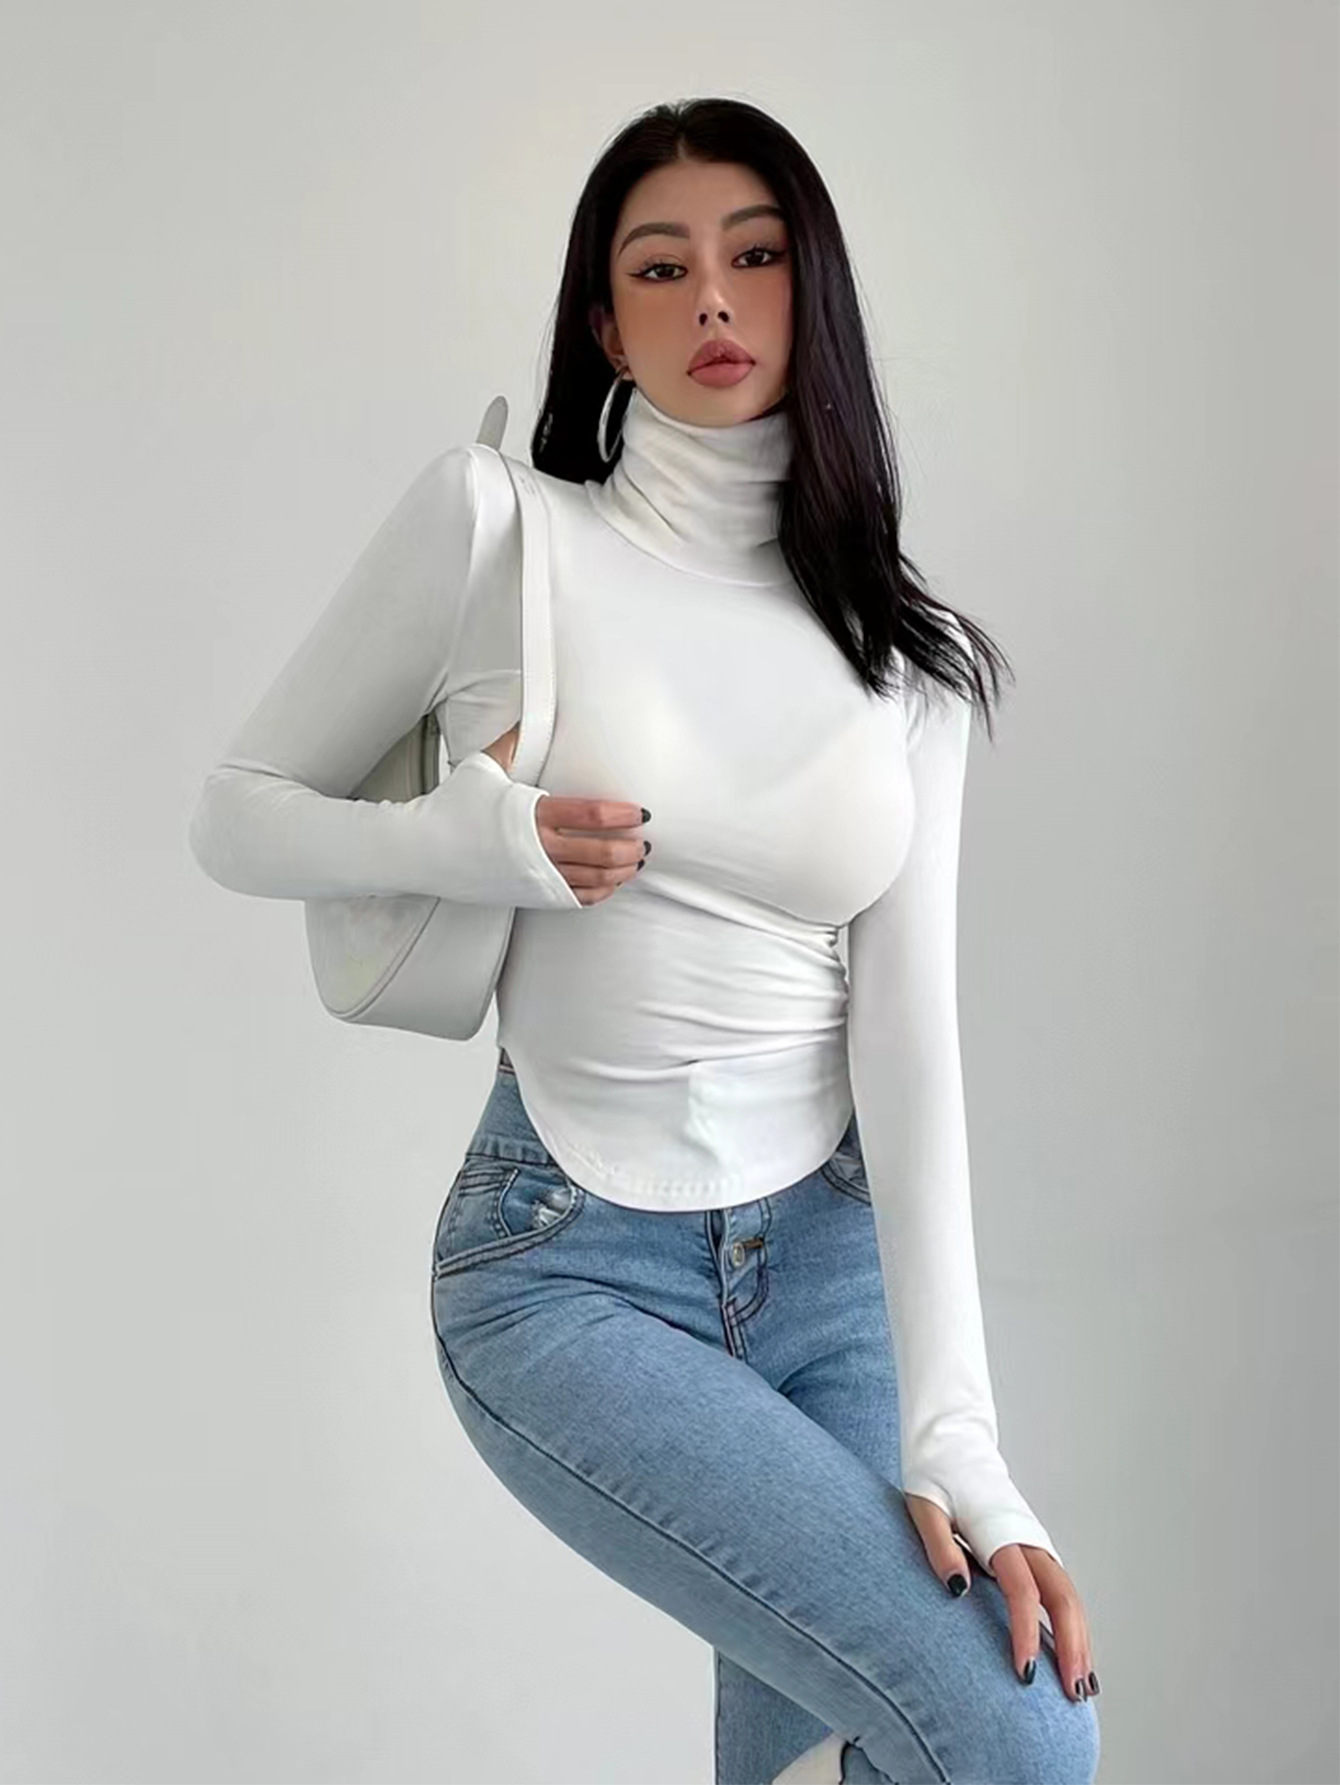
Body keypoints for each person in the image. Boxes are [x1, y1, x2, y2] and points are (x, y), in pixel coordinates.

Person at [188, 96, 1101, 1785]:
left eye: (756, 256)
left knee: (851, 1753)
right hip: (570, 1263)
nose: (716, 300)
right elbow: (235, 812)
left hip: (833, 1265)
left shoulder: (907, 657)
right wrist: (467, 841)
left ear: (812, 290)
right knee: (1020, 1736)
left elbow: (909, 1043)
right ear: (606, 325)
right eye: (662, 268)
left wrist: (963, 1442)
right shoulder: (503, 533)